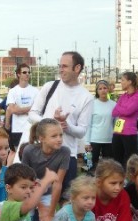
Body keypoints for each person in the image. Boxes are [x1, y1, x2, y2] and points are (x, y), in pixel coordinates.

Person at [29, 51, 94, 195]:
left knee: (65, 198)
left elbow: (82, 131)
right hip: (41, 153)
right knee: (37, 198)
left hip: (67, 155)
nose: (60, 69)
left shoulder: (86, 97)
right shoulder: (50, 87)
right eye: (60, 66)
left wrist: (66, 126)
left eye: (64, 66)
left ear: (77, 68)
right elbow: (32, 115)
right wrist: (51, 123)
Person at [6, 64, 38, 164]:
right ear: (18, 74)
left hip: (31, 128)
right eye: (24, 72)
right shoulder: (13, 91)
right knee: (17, 156)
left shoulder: (35, 91)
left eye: (29, 72)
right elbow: (12, 109)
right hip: (17, 128)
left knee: (31, 155)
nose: (27, 74)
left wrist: (20, 109)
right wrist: (30, 108)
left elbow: (37, 109)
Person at [112, 72, 138, 168]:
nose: (120, 83)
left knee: (130, 161)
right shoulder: (123, 96)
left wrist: (120, 109)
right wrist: (123, 109)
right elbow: (114, 112)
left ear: (129, 82)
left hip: (129, 132)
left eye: (122, 80)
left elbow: (128, 111)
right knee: (117, 160)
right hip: (118, 131)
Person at [84, 80, 116, 172]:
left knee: (108, 167)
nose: (103, 90)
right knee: (91, 166)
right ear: (97, 91)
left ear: (108, 89)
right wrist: (87, 142)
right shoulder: (92, 104)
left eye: (105, 88)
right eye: (100, 89)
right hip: (94, 140)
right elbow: (88, 124)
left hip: (109, 140)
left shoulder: (114, 105)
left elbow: (116, 124)